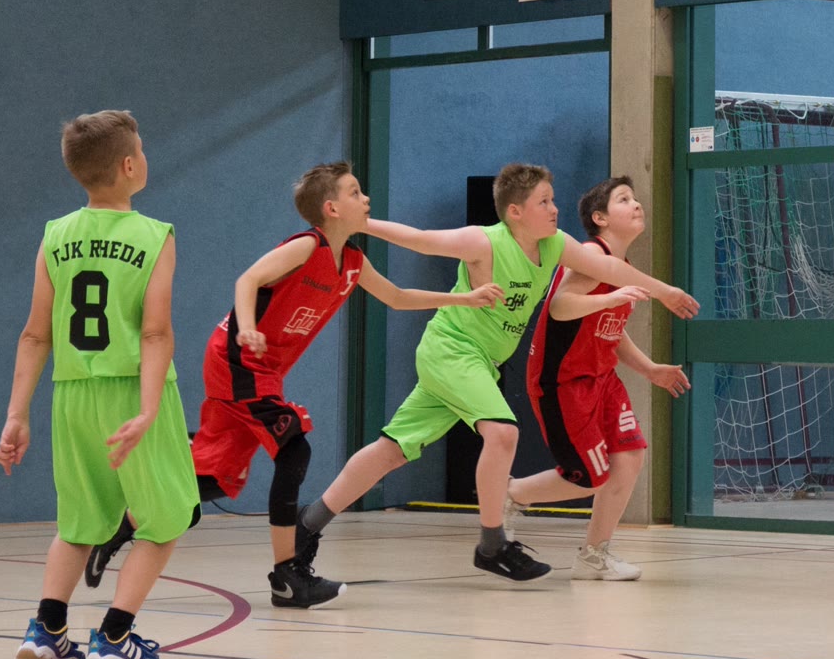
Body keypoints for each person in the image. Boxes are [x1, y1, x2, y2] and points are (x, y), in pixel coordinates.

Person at [82, 162, 503, 608]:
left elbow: (397, 297)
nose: (366, 199)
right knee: (294, 448)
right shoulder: (306, 246)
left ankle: (122, 525)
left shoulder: (353, 262)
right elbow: (248, 279)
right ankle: (287, 575)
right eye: (355, 192)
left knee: (216, 478)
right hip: (236, 360)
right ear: (331, 208)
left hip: (262, 371)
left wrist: (464, 298)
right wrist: (248, 327)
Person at [291, 162, 700, 581]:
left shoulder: (556, 245)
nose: (555, 209)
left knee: (391, 450)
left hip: (480, 363)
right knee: (502, 433)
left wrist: (665, 291)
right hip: (453, 350)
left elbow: (613, 270)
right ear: (516, 212)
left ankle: (307, 522)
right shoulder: (484, 241)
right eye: (544, 202)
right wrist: (362, 224)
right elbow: (422, 239)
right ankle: (492, 544)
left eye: (553, 200)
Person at [2, 111, 198, 659]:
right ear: (130, 165)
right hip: (132, 388)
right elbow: (156, 332)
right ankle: (114, 636)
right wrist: (149, 408)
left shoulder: (55, 235)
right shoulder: (154, 235)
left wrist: (17, 414)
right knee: (169, 517)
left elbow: (35, 333)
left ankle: (47, 630)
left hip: (72, 394)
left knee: (80, 521)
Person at [503, 176, 690, 580]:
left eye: (636, 198)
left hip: (602, 378)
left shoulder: (624, 268)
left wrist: (649, 368)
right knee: (589, 477)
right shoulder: (591, 253)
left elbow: (610, 328)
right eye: (624, 199)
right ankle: (512, 493)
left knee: (630, 457)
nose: (636, 204)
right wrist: (611, 296)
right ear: (600, 218)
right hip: (564, 381)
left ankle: (594, 555)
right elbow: (561, 307)